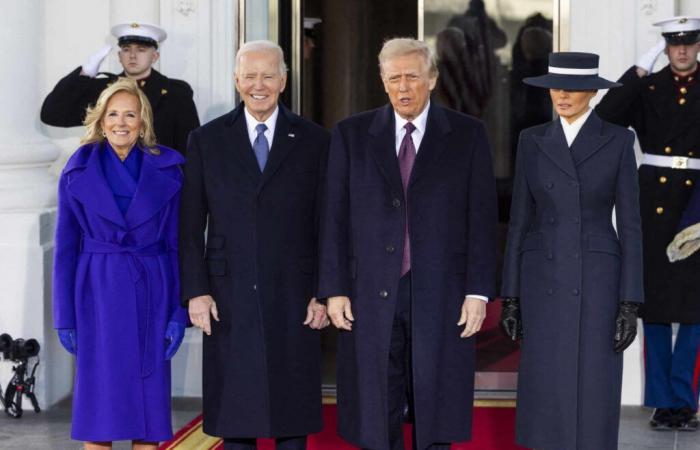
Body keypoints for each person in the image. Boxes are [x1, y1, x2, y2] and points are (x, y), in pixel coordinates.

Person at [318, 38, 498, 450]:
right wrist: (334, 289)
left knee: (437, 401)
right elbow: (333, 218)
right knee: (377, 402)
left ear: (432, 79)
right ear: (382, 81)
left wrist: (477, 291)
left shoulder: (467, 135)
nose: (403, 87)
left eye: (413, 77)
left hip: (443, 292)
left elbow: (482, 220)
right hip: (369, 292)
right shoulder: (351, 134)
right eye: (394, 78)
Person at [179, 40, 330, 450]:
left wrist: (324, 292)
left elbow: (327, 224)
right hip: (228, 294)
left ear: (283, 80)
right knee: (236, 410)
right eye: (249, 76)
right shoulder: (206, 140)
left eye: (267, 76)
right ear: (236, 80)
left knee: (291, 409)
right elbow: (190, 224)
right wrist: (196, 290)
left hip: (295, 293)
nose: (258, 85)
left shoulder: (316, 141)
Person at [500, 52, 643, 450]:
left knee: (594, 385)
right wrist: (510, 297)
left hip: (598, 281)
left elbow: (630, 226)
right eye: (556, 88)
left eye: (573, 88)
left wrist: (630, 303)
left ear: (592, 94)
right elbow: (519, 223)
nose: (561, 96)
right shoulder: (532, 140)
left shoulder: (617, 140)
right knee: (545, 385)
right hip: (541, 277)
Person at [52, 78, 188, 449]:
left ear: (143, 122)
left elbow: (178, 246)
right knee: (100, 417)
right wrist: (64, 316)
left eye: (131, 114)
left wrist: (178, 311)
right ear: (100, 119)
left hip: (152, 293)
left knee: (148, 416)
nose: (121, 122)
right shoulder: (76, 170)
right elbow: (65, 248)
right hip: (97, 294)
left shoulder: (169, 170)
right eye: (113, 114)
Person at [596, 16, 700, 431]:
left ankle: (685, 399)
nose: (681, 51)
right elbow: (607, 116)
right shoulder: (650, 86)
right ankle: (661, 400)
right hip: (654, 204)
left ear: (697, 46)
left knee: (694, 311)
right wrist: (638, 72)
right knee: (655, 307)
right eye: (673, 44)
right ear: (664, 47)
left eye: (689, 43)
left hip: (696, 202)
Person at [41, 22, 199, 154]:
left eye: (141, 50)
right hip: (111, 179)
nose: (132, 55)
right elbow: (52, 114)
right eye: (126, 49)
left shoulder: (175, 93)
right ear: (119, 56)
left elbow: (190, 147)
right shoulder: (102, 91)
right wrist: (85, 73)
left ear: (154, 56)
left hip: (158, 181)